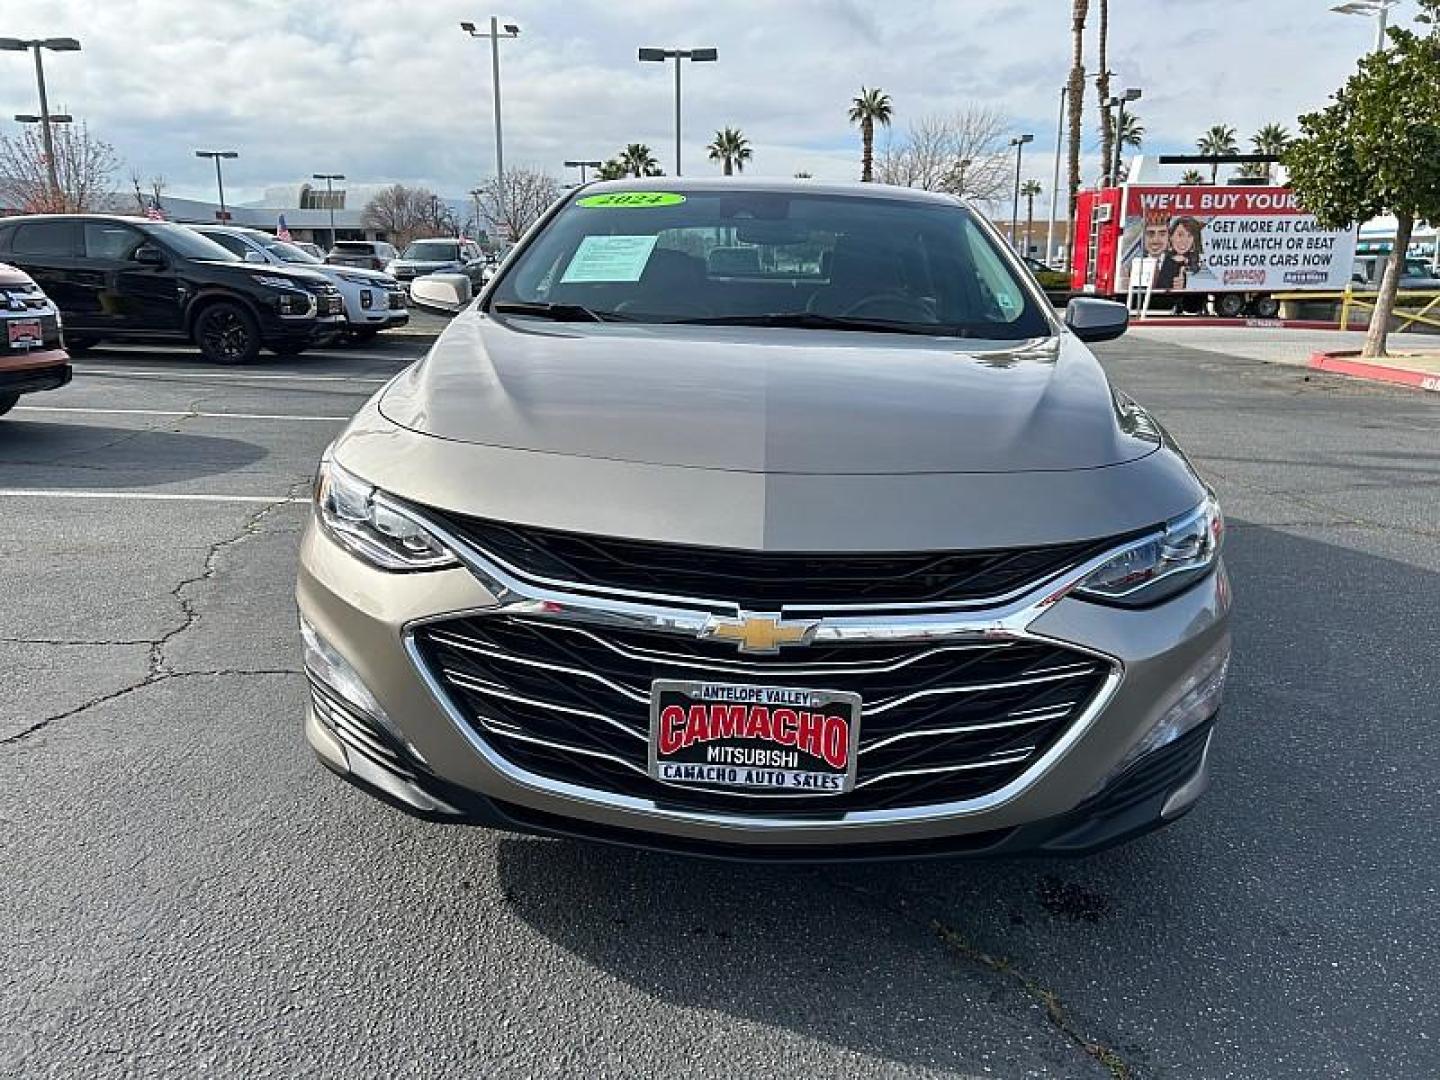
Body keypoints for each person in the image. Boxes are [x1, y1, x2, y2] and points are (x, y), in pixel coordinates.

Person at [1154, 216, 1204, 291]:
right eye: (1180, 235)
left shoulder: (1198, 265)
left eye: (1189, 236)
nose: (1184, 241)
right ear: (1171, 236)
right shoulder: (1160, 261)